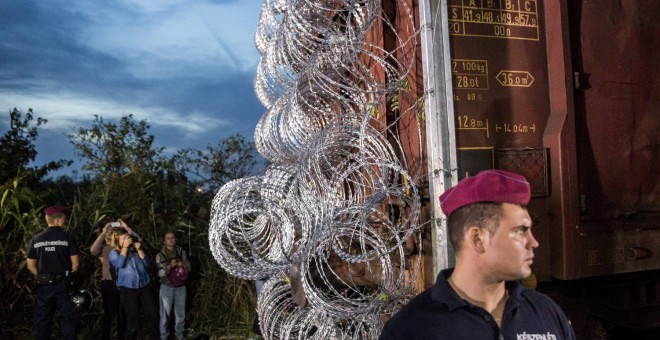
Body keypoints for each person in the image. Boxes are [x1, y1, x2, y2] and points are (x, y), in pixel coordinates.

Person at [379, 170, 576, 339]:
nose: (534, 242)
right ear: (478, 239)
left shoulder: (545, 312)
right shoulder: (412, 329)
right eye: (520, 231)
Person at [26, 205, 80, 340]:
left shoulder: (36, 239)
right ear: (58, 220)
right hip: (63, 285)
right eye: (64, 219)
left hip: (43, 286)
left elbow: (30, 265)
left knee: (42, 320)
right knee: (67, 319)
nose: (65, 221)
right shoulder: (68, 237)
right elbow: (76, 264)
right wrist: (68, 276)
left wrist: (41, 276)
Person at [107, 220, 159, 340]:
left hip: (144, 286)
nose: (127, 240)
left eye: (127, 238)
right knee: (133, 321)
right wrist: (124, 248)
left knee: (153, 315)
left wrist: (139, 249)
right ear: (117, 240)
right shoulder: (113, 253)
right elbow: (119, 264)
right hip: (129, 289)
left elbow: (146, 264)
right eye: (123, 239)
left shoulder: (134, 250)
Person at [90, 220, 140, 340]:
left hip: (124, 284)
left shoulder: (126, 247)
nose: (113, 234)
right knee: (109, 313)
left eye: (114, 232)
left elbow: (139, 241)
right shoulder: (106, 248)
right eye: (111, 232)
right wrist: (103, 233)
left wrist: (127, 228)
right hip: (109, 284)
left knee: (122, 314)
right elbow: (93, 250)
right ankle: (105, 336)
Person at [155, 231, 191, 340]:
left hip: (181, 287)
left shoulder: (181, 252)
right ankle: (164, 336)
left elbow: (189, 268)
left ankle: (179, 335)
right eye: (168, 238)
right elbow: (159, 273)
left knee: (180, 314)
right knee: (165, 315)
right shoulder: (160, 255)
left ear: (175, 239)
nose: (171, 240)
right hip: (167, 288)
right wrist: (169, 266)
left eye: (172, 237)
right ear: (164, 241)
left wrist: (182, 264)